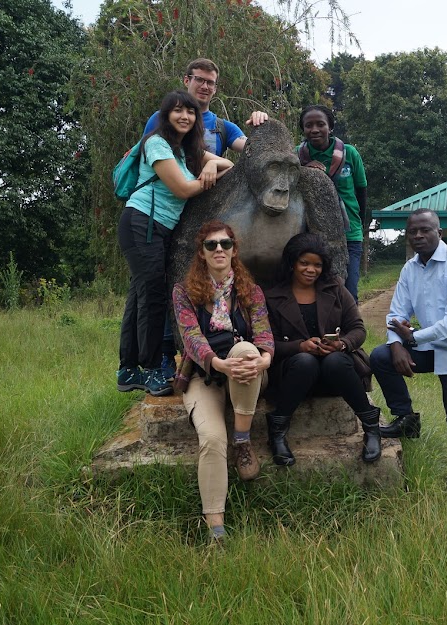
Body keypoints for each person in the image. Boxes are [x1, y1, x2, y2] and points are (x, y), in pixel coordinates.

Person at [145, 58, 269, 378]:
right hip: (168, 213)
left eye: (210, 82)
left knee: (212, 285)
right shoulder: (160, 122)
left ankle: (216, 346)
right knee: (164, 284)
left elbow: (252, 152)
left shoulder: (221, 126)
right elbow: (157, 159)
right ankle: (164, 355)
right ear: (186, 79)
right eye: (199, 79)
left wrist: (261, 126)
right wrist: (208, 161)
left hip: (209, 219)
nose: (204, 86)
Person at [117, 91, 233, 397]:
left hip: (158, 228)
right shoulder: (156, 143)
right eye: (178, 111)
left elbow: (228, 164)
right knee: (154, 298)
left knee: (139, 298)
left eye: (191, 112)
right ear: (165, 115)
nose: (185, 116)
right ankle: (154, 369)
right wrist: (209, 175)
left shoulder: (187, 149)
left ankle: (128, 370)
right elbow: (182, 189)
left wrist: (209, 165)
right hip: (142, 222)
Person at [372, 209, 447, 493]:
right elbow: (396, 313)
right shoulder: (410, 268)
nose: (419, 236)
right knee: (381, 357)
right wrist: (397, 344)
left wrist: (411, 338)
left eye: (425, 230)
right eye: (413, 232)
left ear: (439, 233)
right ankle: (406, 419)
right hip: (426, 347)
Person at [173, 220, 274, 541]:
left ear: (234, 250)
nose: (219, 249)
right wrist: (220, 364)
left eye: (225, 244)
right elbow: (191, 337)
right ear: (201, 253)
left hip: (247, 374)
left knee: (245, 348)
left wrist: (264, 359)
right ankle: (216, 528)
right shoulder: (184, 292)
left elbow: (264, 333)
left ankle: (242, 442)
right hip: (206, 375)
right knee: (213, 439)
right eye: (211, 245)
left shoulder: (250, 291)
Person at [264, 232, 381, 464]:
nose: (311, 270)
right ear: (292, 263)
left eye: (317, 265)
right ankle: (277, 433)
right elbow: (265, 342)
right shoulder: (272, 297)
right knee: (305, 361)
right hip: (293, 377)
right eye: (304, 263)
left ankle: (371, 428)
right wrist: (300, 346)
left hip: (335, 375)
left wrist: (342, 344)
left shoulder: (335, 288)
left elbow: (358, 329)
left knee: (335, 360)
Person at [297, 105, 368, 301]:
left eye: (320, 124)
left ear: (330, 127)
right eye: (308, 125)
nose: (314, 130)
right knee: (318, 290)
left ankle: (350, 331)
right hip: (313, 233)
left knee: (348, 292)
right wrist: (306, 170)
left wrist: (359, 225)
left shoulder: (349, 153)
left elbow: (361, 191)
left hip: (349, 232)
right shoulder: (297, 156)